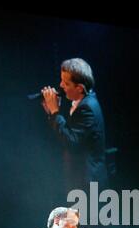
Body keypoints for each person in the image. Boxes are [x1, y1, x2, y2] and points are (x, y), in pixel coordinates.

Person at [41, 58, 108, 194]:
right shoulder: (84, 102)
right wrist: (51, 114)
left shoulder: (87, 108)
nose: (61, 86)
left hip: (88, 185)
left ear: (79, 88)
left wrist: (55, 112)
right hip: (81, 181)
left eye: (66, 83)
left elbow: (72, 142)